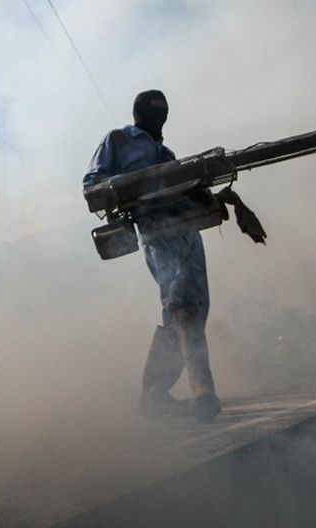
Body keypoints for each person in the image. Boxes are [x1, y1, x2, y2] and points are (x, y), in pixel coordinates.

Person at [83, 90, 222, 423]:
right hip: (158, 230)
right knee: (183, 304)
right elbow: (93, 185)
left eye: (164, 110)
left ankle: (155, 394)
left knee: (192, 309)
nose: (160, 115)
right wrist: (129, 188)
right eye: (153, 109)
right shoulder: (118, 140)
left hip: (189, 232)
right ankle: (202, 389)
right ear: (138, 113)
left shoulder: (167, 154)